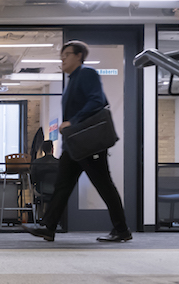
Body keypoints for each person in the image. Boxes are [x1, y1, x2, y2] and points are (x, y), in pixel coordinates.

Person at [22, 40, 131, 243]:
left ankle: (122, 229)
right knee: (62, 186)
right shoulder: (72, 80)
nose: (62, 59)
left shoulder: (87, 74)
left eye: (67, 54)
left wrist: (73, 121)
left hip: (87, 143)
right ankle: (48, 227)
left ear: (79, 56)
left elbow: (97, 101)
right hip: (74, 145)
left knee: (104, 186)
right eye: (61, 55)